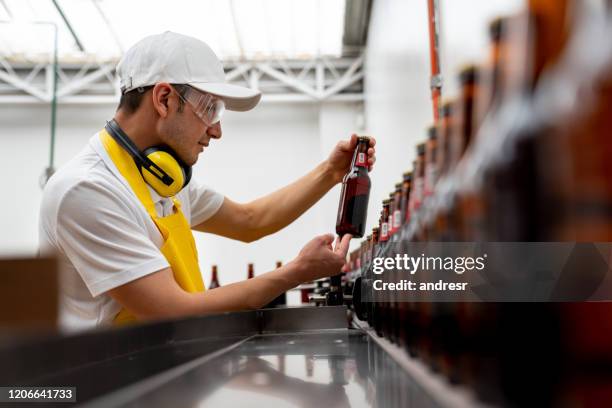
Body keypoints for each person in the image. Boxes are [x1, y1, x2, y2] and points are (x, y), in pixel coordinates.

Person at [39, 32, 376, 331]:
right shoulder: (87, 190)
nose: (216, 131)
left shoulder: (160, 176)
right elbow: (172, 311)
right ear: (164, 99)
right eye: (210, 109)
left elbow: (249, 221)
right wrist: (296, 273)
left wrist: (331, 172)